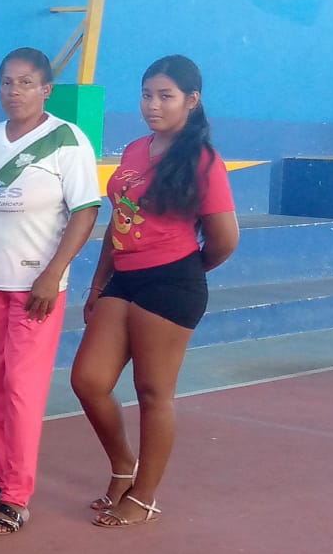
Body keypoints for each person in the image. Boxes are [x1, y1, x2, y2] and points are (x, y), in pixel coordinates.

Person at [70, 55, 239, 528]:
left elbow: (225, 239)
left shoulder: (203, 161)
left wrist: (186, 270)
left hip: (172, 284)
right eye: (147, 95)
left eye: (166, 96)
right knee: (88, 381)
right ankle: (123, 466)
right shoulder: (134, 151)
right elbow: (118, 221)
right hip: (123, 279)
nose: (153, 105)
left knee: (153, 392)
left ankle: (143, 497)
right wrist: (98, 283)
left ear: (192, 100)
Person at [0, 48, 101, 535]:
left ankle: (16, 498)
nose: (14, 92)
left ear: (46, 90)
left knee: (22, 389)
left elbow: (85, 211)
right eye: (6, 82)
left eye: (25, 83)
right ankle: (4, 483)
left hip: (37, 290)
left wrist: (53, 273)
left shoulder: (66, 140)